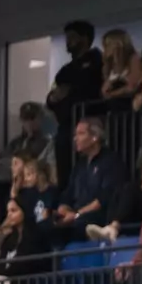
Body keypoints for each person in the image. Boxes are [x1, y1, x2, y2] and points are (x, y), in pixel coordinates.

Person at [47, 21, 104, 185]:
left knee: (83, 168)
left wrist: (70, 91)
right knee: (64, 168)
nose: (68, 41)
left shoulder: (96, 62)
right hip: (66, 125)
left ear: (85, 39)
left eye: (72, 37)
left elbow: (91, 88)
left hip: (87, 121)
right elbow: (53, 94)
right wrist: (53, 98)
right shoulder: (64, 71)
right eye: (67, 37)